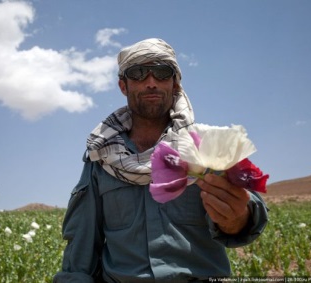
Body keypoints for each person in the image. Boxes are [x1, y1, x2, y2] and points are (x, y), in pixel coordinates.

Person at [54, 38, 268, 283]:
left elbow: (248, 215)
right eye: (138, 74)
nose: (151, 83)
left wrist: (237, 218)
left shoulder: (206, 145)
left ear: (175, 83)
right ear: (123, 86)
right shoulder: (101, 155)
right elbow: (81, 243)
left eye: (162, 72)